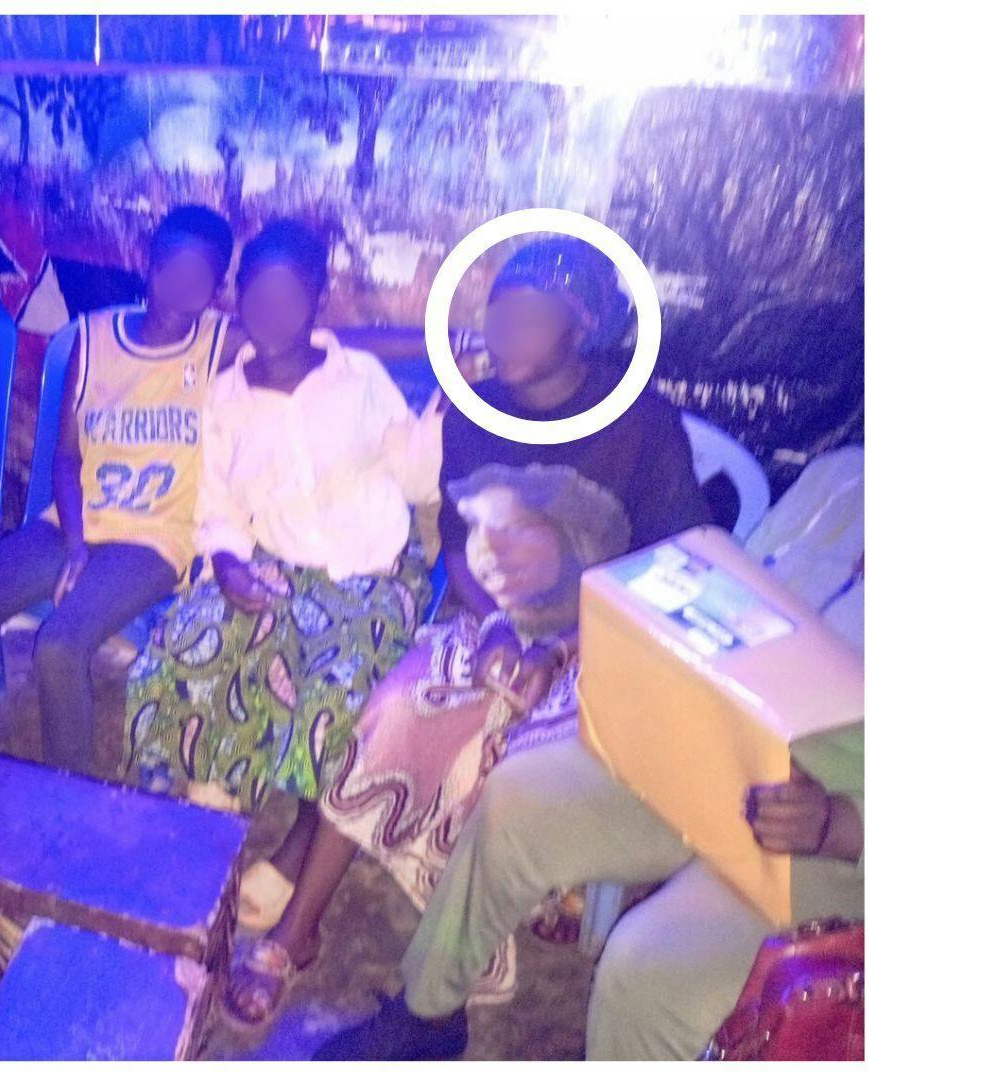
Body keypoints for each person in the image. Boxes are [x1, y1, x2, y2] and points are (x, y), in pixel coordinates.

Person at [218, 234, 713, 1020]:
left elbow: (675, 566)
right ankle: (296, 930)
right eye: (498, 315)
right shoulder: (477, 411)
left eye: (529, 318)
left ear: (581, 327)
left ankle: (467, 945)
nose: (504, 334)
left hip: (605, 639)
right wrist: (494, 631)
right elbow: (455, 542)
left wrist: (561, 650)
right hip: (487, 620)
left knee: (521, 761)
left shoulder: (643, 427)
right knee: (391, 712)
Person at [314, 447, 865, 1061]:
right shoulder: (842, 476)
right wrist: (586, 646)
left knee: (645, 969)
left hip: (835, 842)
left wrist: (838, 824)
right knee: (518, 798)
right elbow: (730, 598)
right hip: (717, 749)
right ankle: (428, 1014)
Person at [125, 218, 442, 829]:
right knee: (190, 643)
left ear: (318, 300)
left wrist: (438, 419)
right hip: (271, 563)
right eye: (259, 295)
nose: (272, 312)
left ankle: (299, 823)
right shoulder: (224, 398)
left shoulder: (361, 377)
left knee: (334, 686)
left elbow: (415, 481)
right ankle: (207, 788)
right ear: (238, 296)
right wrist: (227, 566)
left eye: (290, 296)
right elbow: (216, 506)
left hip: (369, 569)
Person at [0, 206, 235, 774]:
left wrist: (423, 344)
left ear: (216, 288)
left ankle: (68, 798)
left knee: (60, 646)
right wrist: (73, 544)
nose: (184, 284)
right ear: (151, 265)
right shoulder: (94, 339)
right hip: (74, 523)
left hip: (156, 539)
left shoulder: (220, 343)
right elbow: (66, 457)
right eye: (174, 267)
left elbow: (310, 337)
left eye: (201, 276)